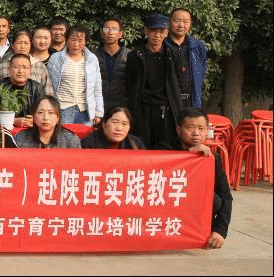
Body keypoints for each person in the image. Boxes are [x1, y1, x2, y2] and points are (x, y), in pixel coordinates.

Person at [159, 108, 231, 249]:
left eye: (201, 128)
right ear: (178, 129)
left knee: (215, 199)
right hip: (168, 215)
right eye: (190, 128)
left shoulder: (212, 158)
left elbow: (226, 197)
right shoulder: (163, 150)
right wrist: (188, 156)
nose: (196, 133)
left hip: (197, 225)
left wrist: (220, 231)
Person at [125, 13, 183, 149]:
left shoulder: (173, 55)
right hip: (141, 110)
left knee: (165, 149)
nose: (157, 35)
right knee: (140, 148)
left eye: (161, 31)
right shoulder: (134, 56)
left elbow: (179, 83)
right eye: (153, 31)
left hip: (166, 110)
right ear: (146, 30)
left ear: (167, 33)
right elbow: (128, 84)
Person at [47, 25, 104, 126]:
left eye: (80, 40)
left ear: (86, 42)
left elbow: (97, 88)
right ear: (66, 39)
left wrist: (98, 113)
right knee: (64, 135)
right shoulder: (55, 58)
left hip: (86, 110)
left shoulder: (92, 59)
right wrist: (51, 109)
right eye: (73, 40)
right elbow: (49, 86)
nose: (76, 44)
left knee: (86, 135)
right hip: (62, 108)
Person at [165, 7, 208, 109]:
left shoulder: (197, 46)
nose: (181, 25)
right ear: (170, 22)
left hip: (191, 102)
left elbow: (201, 72)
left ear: (190, 24)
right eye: (177, 21)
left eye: (186, 22)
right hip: (167, 102)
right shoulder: (162, 46)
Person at [0, 53, 46, 127]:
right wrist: (13, 120)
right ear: (9, 69)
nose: (21, 71)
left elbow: (43, 111)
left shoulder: (37, 88)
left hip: (31, 128)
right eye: (16, 67)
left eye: (25, 67)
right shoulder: (0, 86)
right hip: (5, 128)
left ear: (30, 69)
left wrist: (35, 119)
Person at [0, 29, 54, 95]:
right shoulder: (3, 65)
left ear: (30, 45)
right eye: (19, 43)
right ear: (12, 45)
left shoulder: (39, 66)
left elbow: (48, 92)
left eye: (26, 43)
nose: (22, 46)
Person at [15, 96, 81, 149]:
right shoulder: (22, 137)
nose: (46, 118)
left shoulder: (70, 140)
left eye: (51, 113)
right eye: (40, 112)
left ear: (58, 117)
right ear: (33, 116)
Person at [95, 17, 130, 111]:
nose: (110, 32)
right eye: (106, 29)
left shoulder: (130, 56)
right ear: (102, 33)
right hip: (98, 106)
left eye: (114, 29)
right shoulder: (92, 56)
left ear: (120, 34)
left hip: (122, 107)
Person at [80, 105, 145, 149]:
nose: (119, 128)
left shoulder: (135, 144)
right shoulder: (89, 143)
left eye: (124, 124)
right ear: (104, 123)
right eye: (115, 122)